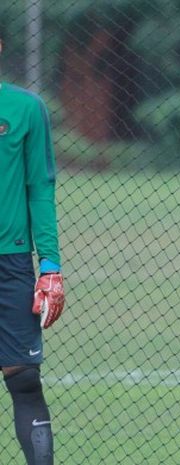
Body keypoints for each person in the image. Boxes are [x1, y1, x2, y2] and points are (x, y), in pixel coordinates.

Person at [0, 34, 66, 465]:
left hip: (12, 264)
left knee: (24, 380)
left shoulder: (25, 108)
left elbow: (40, 189)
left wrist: (50, 264)